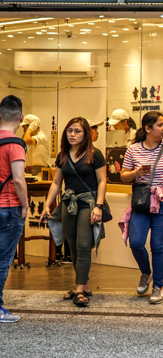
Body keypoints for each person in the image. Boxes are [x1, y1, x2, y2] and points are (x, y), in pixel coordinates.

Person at [120, 111, 163, 304]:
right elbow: (124, 176)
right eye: (159, 125)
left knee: (157, 246)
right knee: (136, 242)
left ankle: (158, 286)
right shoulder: (133, 150)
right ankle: (145, 273)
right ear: (147, 129)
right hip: (142, 202)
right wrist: (136, 171)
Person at [41, 118, 107, 307]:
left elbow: (102, 181)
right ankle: (83, 285)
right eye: (69, 130)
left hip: (88, 202)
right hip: (68, 202)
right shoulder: (63, 155)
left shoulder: (95, 155)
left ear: (86, 134)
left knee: (84, 244)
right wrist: (48, 204)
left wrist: (99, 206)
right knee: (73, 246)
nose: (72, 134)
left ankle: (78, 289)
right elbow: (56, 183)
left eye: (77, 131)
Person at [0, 95, 28, 323]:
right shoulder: (15, 144)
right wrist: (26, 205)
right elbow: (19, 180)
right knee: (3, 258)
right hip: (8, 207)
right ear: (20, 117)